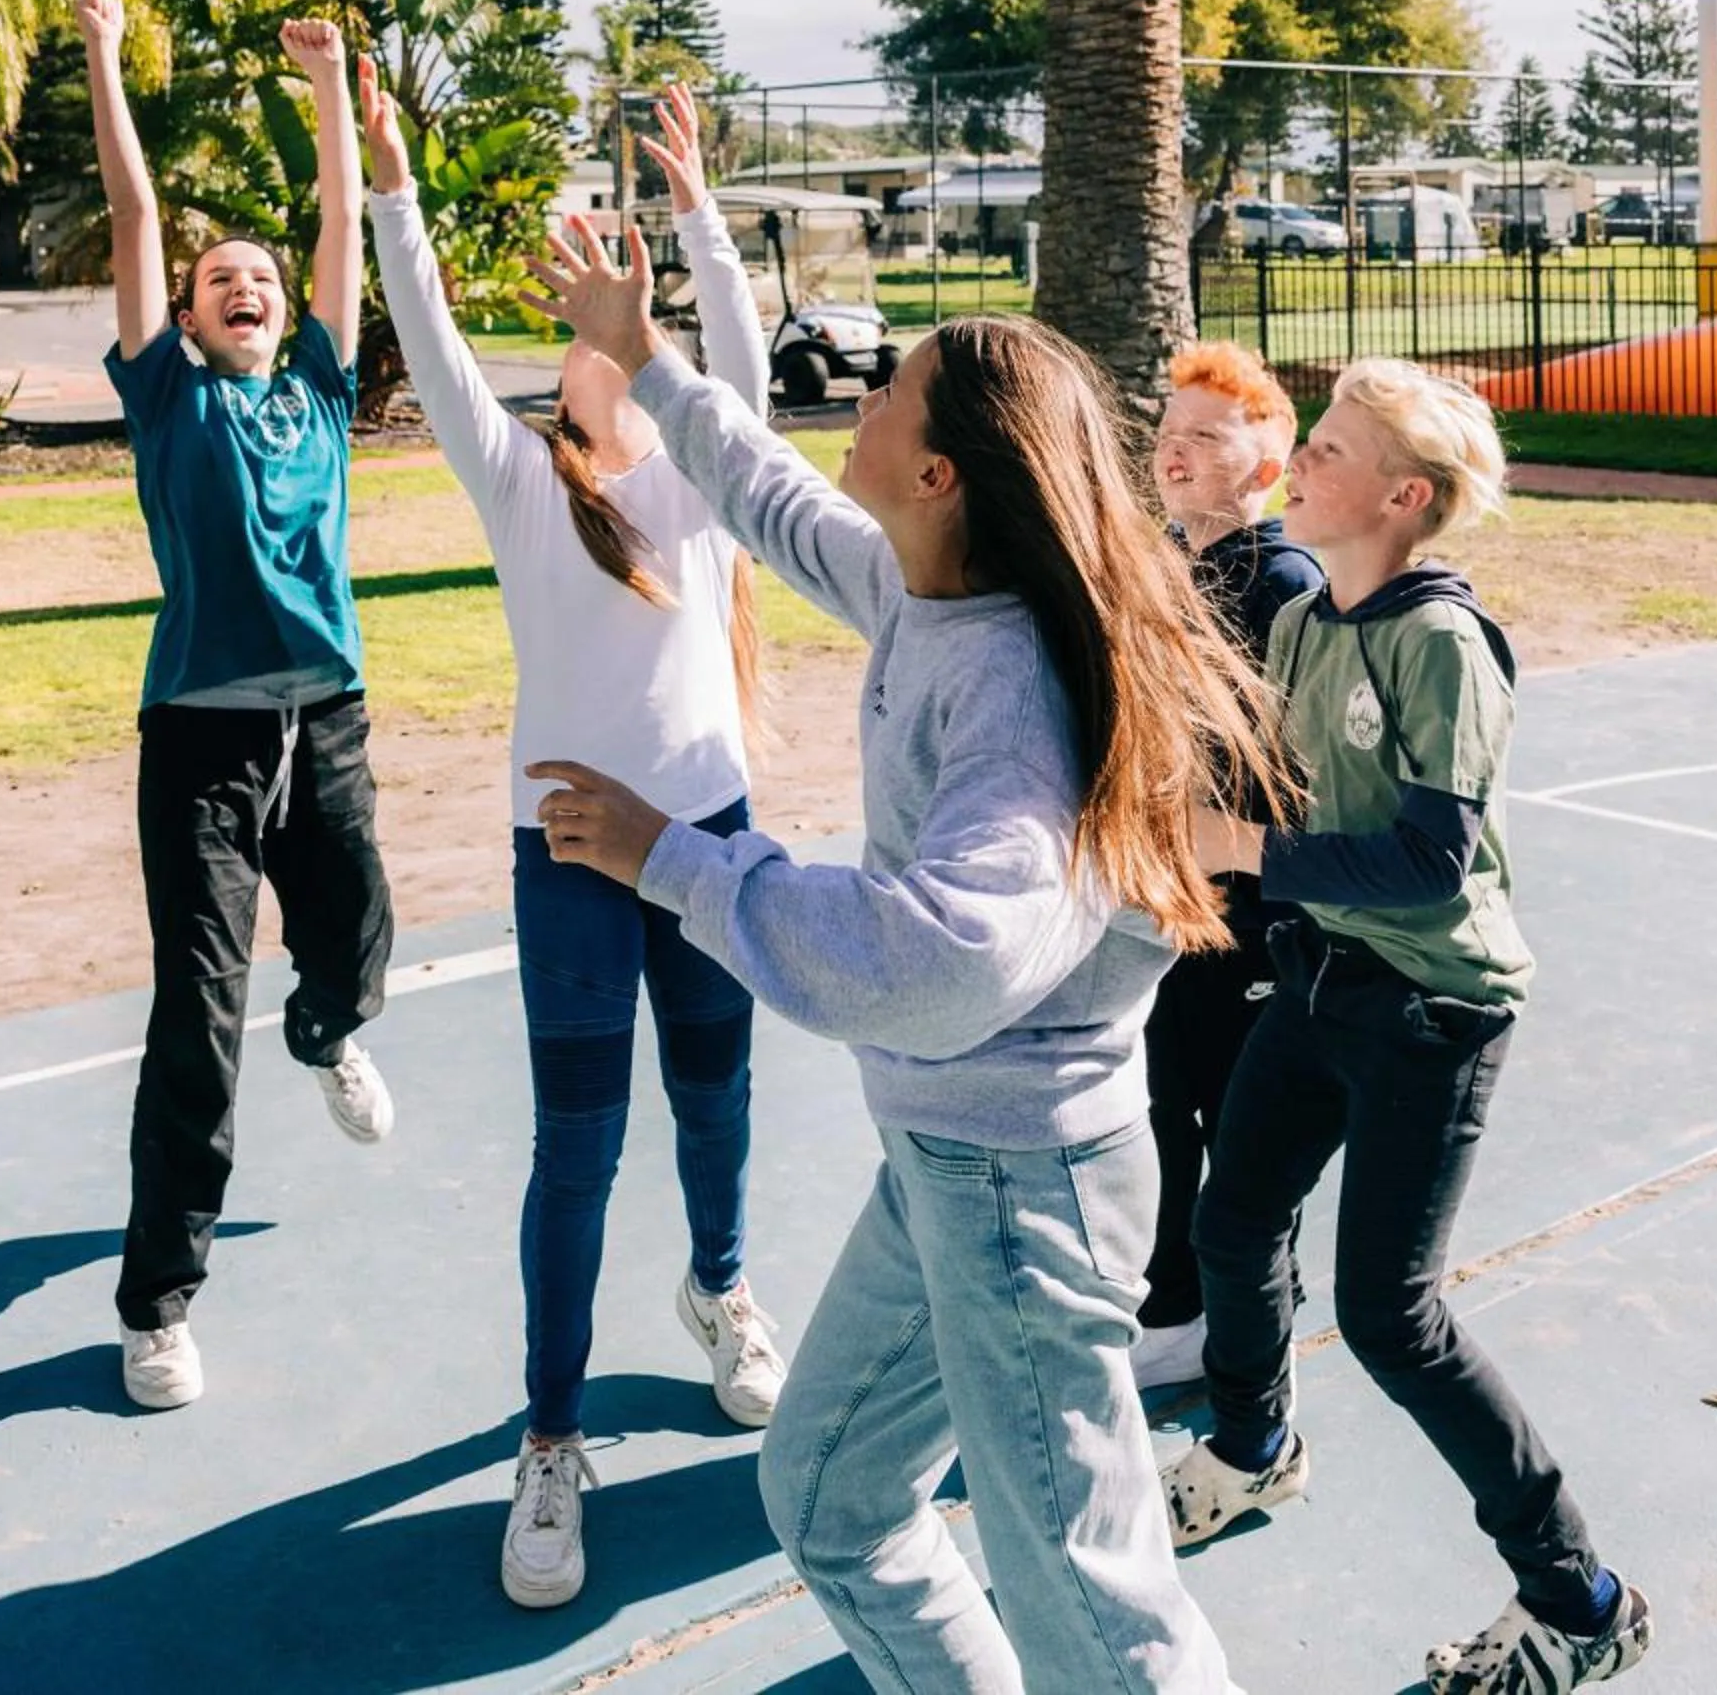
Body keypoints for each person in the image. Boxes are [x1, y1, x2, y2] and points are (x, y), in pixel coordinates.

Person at [523, 216, 1285, 1695]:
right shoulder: (928, 588)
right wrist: (646, 358)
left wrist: (676, 861)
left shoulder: (1008, 683)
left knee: (1094, 1612)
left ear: (939, 476)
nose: (862, 400)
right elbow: (769, 497)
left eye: (891, 392)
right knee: (830, 1496)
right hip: (948, 1163)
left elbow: (948, 963)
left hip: (1021, 1187)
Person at [360, 77, 787, 1613]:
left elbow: (739, 372)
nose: (604, 338)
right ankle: (551, 1439)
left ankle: (722, 1286)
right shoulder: (522, 485)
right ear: (561, 379)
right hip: (571, 860)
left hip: (711, 841)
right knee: (578, 1152)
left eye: (631, 325)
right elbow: (427, 337)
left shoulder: (703, 486)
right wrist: (391, 186)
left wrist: (698, 218)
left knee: (716, 1103)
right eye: (584, 333)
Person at [1166, 357, 1652, 1695]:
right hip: (1321, 979)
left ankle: (1580, 1598)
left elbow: (1431, 864)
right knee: (1231, 1225)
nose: (1299, 465)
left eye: (1327, 449)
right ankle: (1253, 1448)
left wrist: (1241, 848)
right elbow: (1280, 792)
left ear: (1403, 498)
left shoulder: (1442, 644)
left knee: (1391, 1317)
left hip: (1434, 1012)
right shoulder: (1303, 621)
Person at [78, 0, 396, 1416]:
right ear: (192, 318)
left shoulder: (321, 385)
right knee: (197, 1018)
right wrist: (103, 51)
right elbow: (136, 216)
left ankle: (328, 1031)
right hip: (200, 738)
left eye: (258, 274)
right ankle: (158, 1302)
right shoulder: (170, 397)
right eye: (220, 279)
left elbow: (339, 223)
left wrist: (329, 87)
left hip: (324, 719)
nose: (244, 284)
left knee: (360, 940)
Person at [1134, 343, 1321, 1392]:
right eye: (1168, 433)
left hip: (1245, 918)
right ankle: (1177, 1302)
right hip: (1163, 902)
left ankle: (1245, 1320)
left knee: (1233, 1134)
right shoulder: (1161, 559)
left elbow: (1301, 768)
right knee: (1161, 1112)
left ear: (1268, 467)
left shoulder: (1285, 586)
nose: (1177, 452)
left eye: (1207, 437)